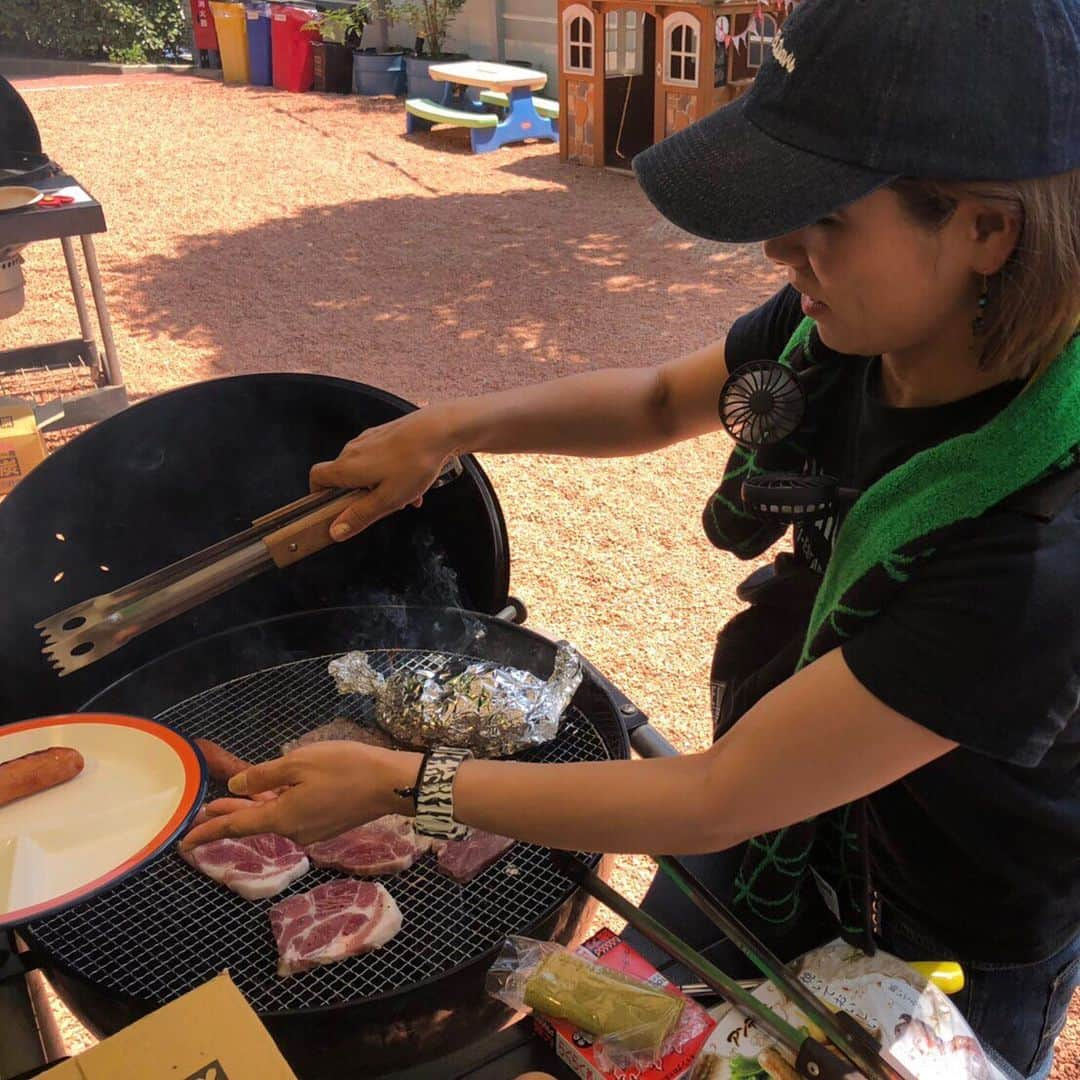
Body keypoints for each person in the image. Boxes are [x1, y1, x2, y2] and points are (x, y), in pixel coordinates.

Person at [182, 0, 1080, 1074]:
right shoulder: (846, 328)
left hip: (948, 918)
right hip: (777, 843)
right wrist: (450, 432)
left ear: (987, 228)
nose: (778, 247)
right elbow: (659, 401)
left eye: (825, 217)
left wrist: (399, 783)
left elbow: (716, 796)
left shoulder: (1044, 539)